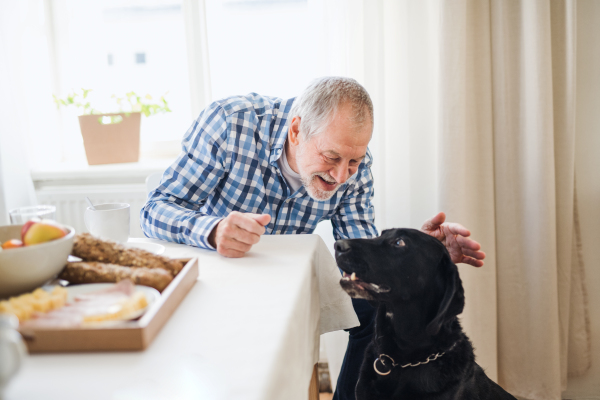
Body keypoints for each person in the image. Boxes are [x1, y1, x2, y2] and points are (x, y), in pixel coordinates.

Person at [140, 76, 485, 399]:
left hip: (287, 283)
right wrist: (213, 231)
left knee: (370, 314)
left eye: (353, 161)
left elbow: (362, 260)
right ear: (296, 131)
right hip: (218, 277)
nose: (340, 176)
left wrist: (421, 252)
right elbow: (155, 209)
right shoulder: (231, 125)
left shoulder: (355, 168)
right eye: (331, 157)